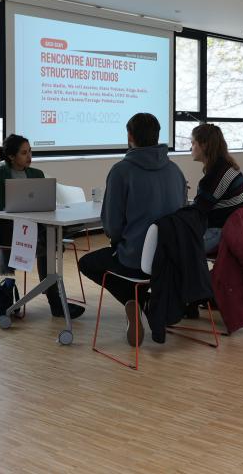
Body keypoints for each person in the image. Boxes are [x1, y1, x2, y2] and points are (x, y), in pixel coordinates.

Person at [78, 113, 187, 345]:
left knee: (87, 263)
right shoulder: (175, 171)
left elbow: (111, 227)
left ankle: (138, 302)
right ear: (158, 136)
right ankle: (147, 301)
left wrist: (119, 240)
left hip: (136, 261)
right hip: (170, 259)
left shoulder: (121, 171)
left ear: (129, 137)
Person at [0, 134, 84, 319]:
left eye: (30, 151)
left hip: (33, 226)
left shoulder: (36, 174)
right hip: (7, 229)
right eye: (24, 153)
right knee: (47, 244)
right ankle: (16, 298)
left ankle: (52, 300)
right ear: (11, 156)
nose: (29, 156)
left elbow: (42, 204)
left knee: (47, 241)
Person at [190, 123, 243, 253]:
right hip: (241, 230)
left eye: (193, 143)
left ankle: (197, 274)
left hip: (224, 233)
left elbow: (197, 213)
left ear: (204, 145)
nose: (191, 148)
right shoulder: (226, 166)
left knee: (177, 246)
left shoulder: (214, 176)